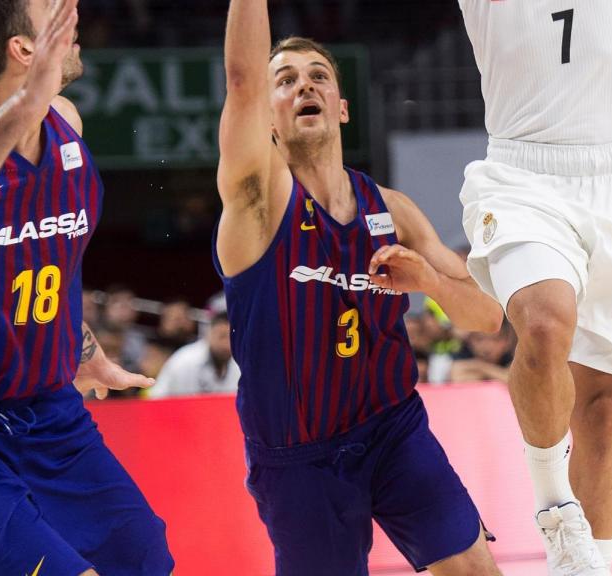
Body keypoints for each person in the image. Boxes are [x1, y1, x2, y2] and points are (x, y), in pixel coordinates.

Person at [214, 2, 504, 574]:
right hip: (300, 457)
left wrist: (430, 282)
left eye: (319, 76)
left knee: (474, 570)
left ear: (342, 108)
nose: (305, 86)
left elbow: (487, 319)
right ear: (265, 117)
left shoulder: (392, 209)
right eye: (287, 80)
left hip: (393, 428)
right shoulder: (256, 202)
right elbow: (242, 80)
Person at [0, 1, 174, 574]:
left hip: (46, 413)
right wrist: (24, 105)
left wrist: (78, 343)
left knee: (143, 558)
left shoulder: (64, 120)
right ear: (24, 51)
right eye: (53, 7)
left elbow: (39, 253)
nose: (75, 12)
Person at [457, 2, 612, 574]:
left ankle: (588, 565)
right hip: (523, 174)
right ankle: (557, 510)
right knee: (542, 324)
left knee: (603, 411)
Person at [151, 312, 240, 397]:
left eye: (231, 338)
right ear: (209, 334)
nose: (226, 344)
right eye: (221, 336)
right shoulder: (184, 360)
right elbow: (156, 396)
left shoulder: (239, 363)